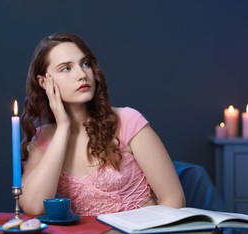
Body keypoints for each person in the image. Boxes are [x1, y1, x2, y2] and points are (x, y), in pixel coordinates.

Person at [19, 32, 185, 216]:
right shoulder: (43, 139)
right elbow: (34, 207)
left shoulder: (128, 120)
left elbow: (174, 199)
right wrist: (63, 127)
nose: (82, 74)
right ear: (44, 82)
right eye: (66, 68)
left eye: (85, 64)